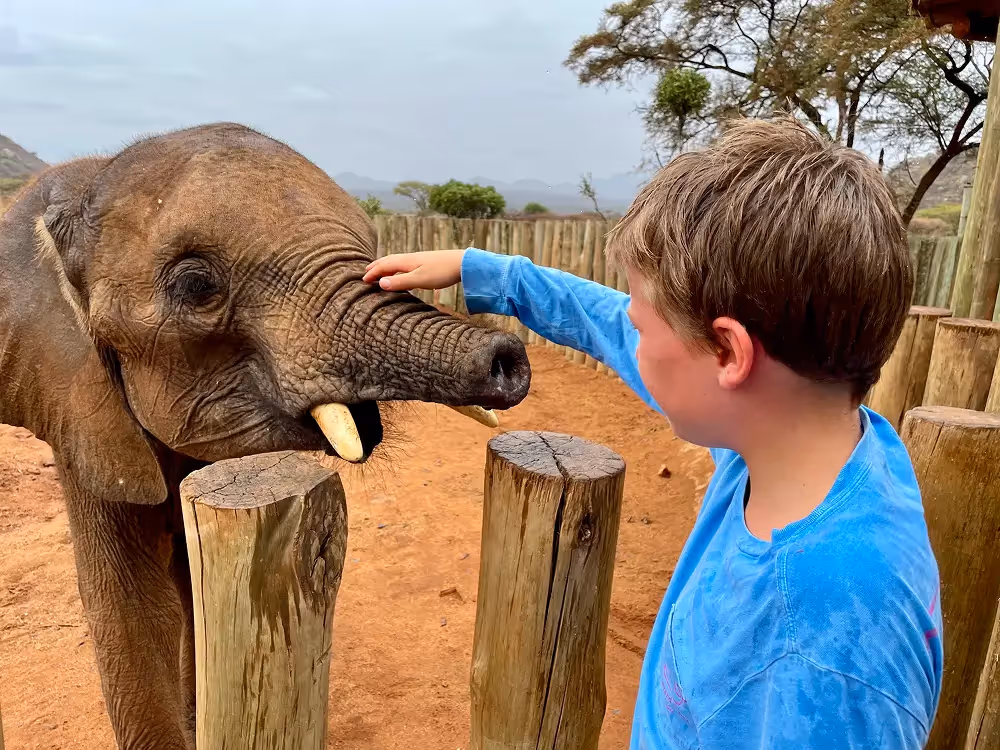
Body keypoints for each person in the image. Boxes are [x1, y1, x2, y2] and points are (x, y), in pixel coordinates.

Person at [362, 116, 943, 749]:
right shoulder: (802, 440)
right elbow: (612, 322)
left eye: (644, 330)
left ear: (729, 354)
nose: (631, 339)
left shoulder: (824, 648)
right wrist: (494, 275)